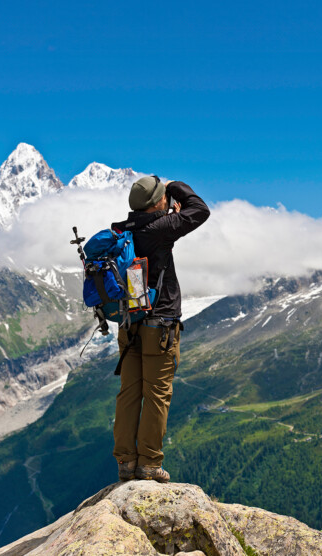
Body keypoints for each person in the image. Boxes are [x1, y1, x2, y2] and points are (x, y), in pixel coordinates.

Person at [111, 176, 210, 483]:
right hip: (161, 325)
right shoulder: (161, 229)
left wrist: (166, 208)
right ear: (157, 203)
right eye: (163, 196)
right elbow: (200, 209)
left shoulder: (121, 230)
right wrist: (176, 186)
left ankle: (126, 463)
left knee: (129, 393)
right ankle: (149, 464)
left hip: (131, 325)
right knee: (157, 394)